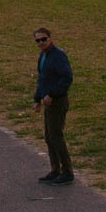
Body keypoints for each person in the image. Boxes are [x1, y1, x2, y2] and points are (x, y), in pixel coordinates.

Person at [33, 26, 73, 183]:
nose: (41, 42)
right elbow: (42, 79)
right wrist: (37, 99)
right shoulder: (43, 56)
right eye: (38, 40)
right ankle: (55, 170)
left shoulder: (58, 56)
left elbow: (67, 78)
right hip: (48, 102)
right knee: (49, 137)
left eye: (44, 39)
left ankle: (67, 172)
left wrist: (52, 94)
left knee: (56, 136)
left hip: (58, 102)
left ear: (50, 38)